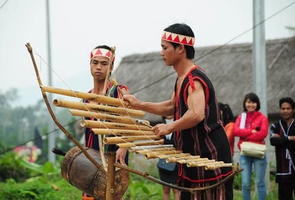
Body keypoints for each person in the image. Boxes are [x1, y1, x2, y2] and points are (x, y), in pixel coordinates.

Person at [123, 23, 233, 200]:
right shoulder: (181, 79)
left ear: (180, 48)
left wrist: (169, 127)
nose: (161, 52)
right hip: (192, 155)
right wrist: (139, 104)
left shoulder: (193, 79)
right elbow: (171, 106)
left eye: (164, 48)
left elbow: (196, 113)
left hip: (209, 154)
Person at [82, 45, 129, 200]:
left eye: (104, 63)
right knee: (89, 194)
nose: (98, 67)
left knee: (111, 195)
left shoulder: (119, 91)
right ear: (90, 65)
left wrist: (123, 146)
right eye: (95, 62)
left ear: (111, 67)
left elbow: (129, 122)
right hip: (91, 156)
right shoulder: (86, 97)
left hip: (113, 154)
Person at [233, 92, 268, 200]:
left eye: (253, 102)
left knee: (260, 183)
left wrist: (246, 136)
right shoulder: (241, 117)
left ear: (257, 104)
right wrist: (250, 131)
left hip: (259, 152)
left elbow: (263, 133)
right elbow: (235, 131)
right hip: (245, 153)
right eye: (248, 102)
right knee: (245, 184)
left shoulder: (262, 118)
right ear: (245, 103)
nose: (251, 104)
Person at [270, 97, 295, 200]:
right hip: (283, 168)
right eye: (283, 108)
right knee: (284, 196)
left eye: (288, 108)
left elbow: (278, 141)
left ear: (293, 110)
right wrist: (290, 138)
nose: (285, 111)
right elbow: (273, 141)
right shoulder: (275, 126)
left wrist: (281, 139)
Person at [157, 116, 180, 200]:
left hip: (177, 159)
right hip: (163, 160)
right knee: (165, 189)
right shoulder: (159, 125)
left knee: (176, 189)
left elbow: (179, 141)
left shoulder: (179, 123)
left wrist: (164, 142)